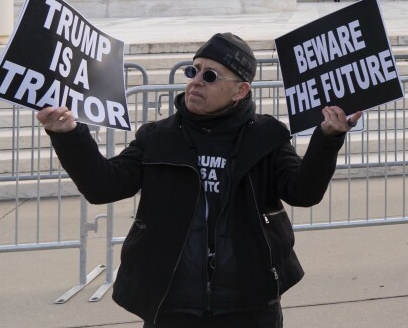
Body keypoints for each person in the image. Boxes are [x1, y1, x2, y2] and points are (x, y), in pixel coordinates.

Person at [36, 32, 359, 327]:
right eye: (193, 71)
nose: (195, 82)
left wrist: (328, 137)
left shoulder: (266, 136)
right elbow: (103, 186)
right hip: (172, 302)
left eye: (210, 75)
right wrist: (68, 135)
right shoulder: (159, 136)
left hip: (249, 302)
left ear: (240, 90)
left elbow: (303, 191)